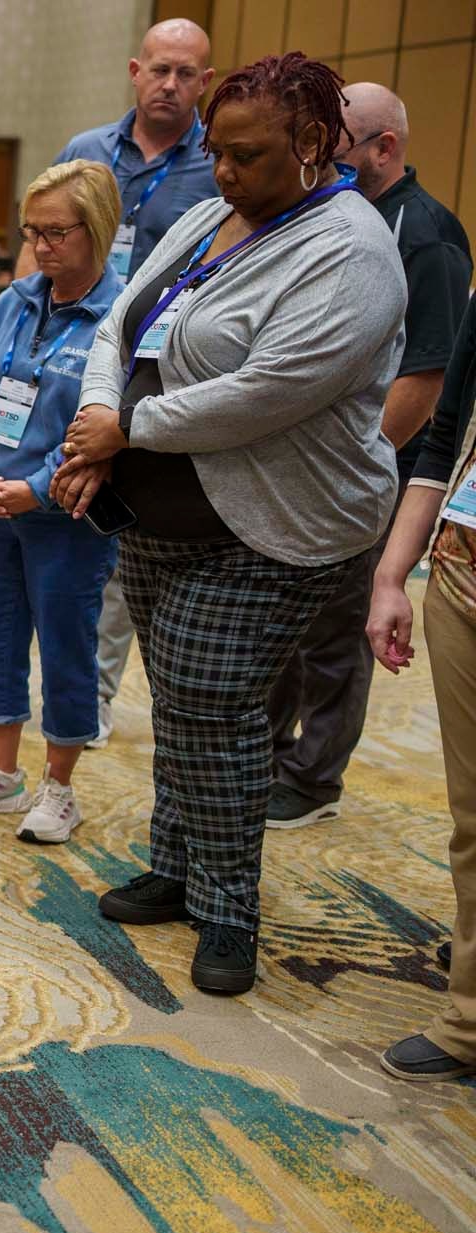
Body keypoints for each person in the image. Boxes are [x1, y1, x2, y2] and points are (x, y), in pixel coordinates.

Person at [56, 54, 403, 996]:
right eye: (216, 152)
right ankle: (177, 865)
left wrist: (132, 425)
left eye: (246, 156)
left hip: (275, 523)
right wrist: (97, 432)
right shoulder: (217, 213)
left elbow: (269, 392)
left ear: (313, 145)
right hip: (165, 511)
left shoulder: (352, 250)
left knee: (217, 704)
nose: (223, 173)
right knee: (179, 700)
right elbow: (120, 321)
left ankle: (227, 906)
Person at [0, 17, 220, 744]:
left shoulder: (218, 167)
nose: (170, 84)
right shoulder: (85, 152)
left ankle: (78, 730)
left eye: (186, 73)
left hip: (136, 375)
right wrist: (28, 315)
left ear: (204, 82)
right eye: (158, 69)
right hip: (44, 358)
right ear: (134, 70)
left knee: (79, 621)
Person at [267, 83, 472, 829]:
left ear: (385, 147)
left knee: (335, 630)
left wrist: (354, 458)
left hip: (369, 473)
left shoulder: (427, 235)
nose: (322, 158)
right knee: (288, 620)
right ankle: (271, 754)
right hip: (308, 464)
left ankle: (314, 779)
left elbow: (428, 377)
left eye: (338, 144)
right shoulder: (328, 213)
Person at [0, 161, 125, 843]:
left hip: (64, 519)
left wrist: (34, 488)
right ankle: (2, 774)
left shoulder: (119, 316)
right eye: (32, 231)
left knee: (69, 650)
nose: (42, 246)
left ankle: (60, 788)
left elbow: (105, 427)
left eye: (56, 232)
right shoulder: (14, 304)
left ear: (96, 228)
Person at [365, 290, 476, 1082]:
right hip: (465, 574)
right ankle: (471, 1015)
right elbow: (444, 442)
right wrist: (393, 572)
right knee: (472, 814)